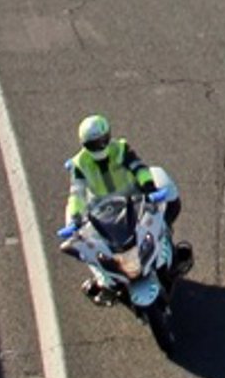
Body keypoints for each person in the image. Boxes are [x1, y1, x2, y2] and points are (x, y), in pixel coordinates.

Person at [63, 114, 185, 301]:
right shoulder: (79, 164)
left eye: (102, 141)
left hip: (133, 200)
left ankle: (168, 253)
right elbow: (76, 193)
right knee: (86, 242)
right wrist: (75, 217)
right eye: (93, 144)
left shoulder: (120, 148)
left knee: (157, 219)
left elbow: (139, 168)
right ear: (84, 144)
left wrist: (149, 187)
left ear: (108, 136)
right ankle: (104, 280)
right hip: (101, 210)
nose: (100, 147)